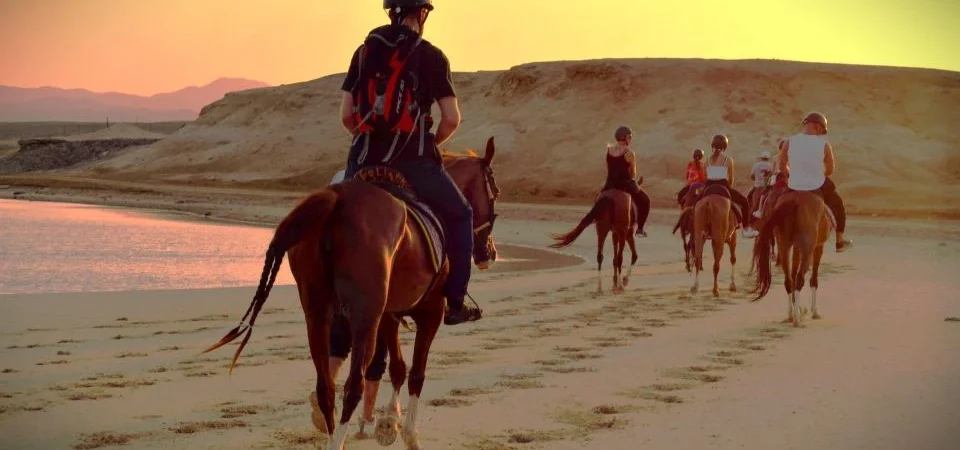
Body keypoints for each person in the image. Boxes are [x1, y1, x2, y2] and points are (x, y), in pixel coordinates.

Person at [338, 0, 481, 325]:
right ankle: (456, 302)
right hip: (413, 161)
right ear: (422, 13)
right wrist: (428, 146)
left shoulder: (362, 54)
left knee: (332, 211)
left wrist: (367, 141)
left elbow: (347, 116)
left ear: (390, 13)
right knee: (461, 215)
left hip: (362, 160)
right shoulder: (431, 55)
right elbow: (451, 119)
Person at [780, 111, 854, 252]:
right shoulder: (824, 144)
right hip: (816, 184)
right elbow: (830, 169)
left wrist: (794, 175)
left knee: (774, 203)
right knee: (838, 205)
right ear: (818, 126)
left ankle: (762, 228)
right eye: (822, 129)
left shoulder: (789, 142)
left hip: (794, 182)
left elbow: (781, 166)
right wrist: (817, 174)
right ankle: (839, 241)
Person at [600, 125, 651, 237]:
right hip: (625, 185)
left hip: (609, 184)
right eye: (629, 136)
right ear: (624, 137)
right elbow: (633, 174)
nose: (631, 139)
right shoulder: (629, 153)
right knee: (645, 201)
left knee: (599, 198)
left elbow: (609, 170)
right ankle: (640, 229)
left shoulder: (609, 150)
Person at [703, 133, 757, 238]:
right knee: (744, 202)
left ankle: (698, 229)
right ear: (725, 146)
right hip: (723, 185)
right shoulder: (728, 160)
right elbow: (731, 178)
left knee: (696, 204)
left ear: (712, 145)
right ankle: (746, 228)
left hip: (708, 186)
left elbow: (705, 177)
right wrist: (728, 188)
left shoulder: (706, 160)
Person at [747, 151, 774, 221]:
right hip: (766, 187)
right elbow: (772, 175)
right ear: (768, 158)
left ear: (761, 158)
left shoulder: (756, 165)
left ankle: (748, 215)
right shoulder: (770, 165)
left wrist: (756, 179)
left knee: (748, 197)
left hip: (757, 186)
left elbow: (752, 176)